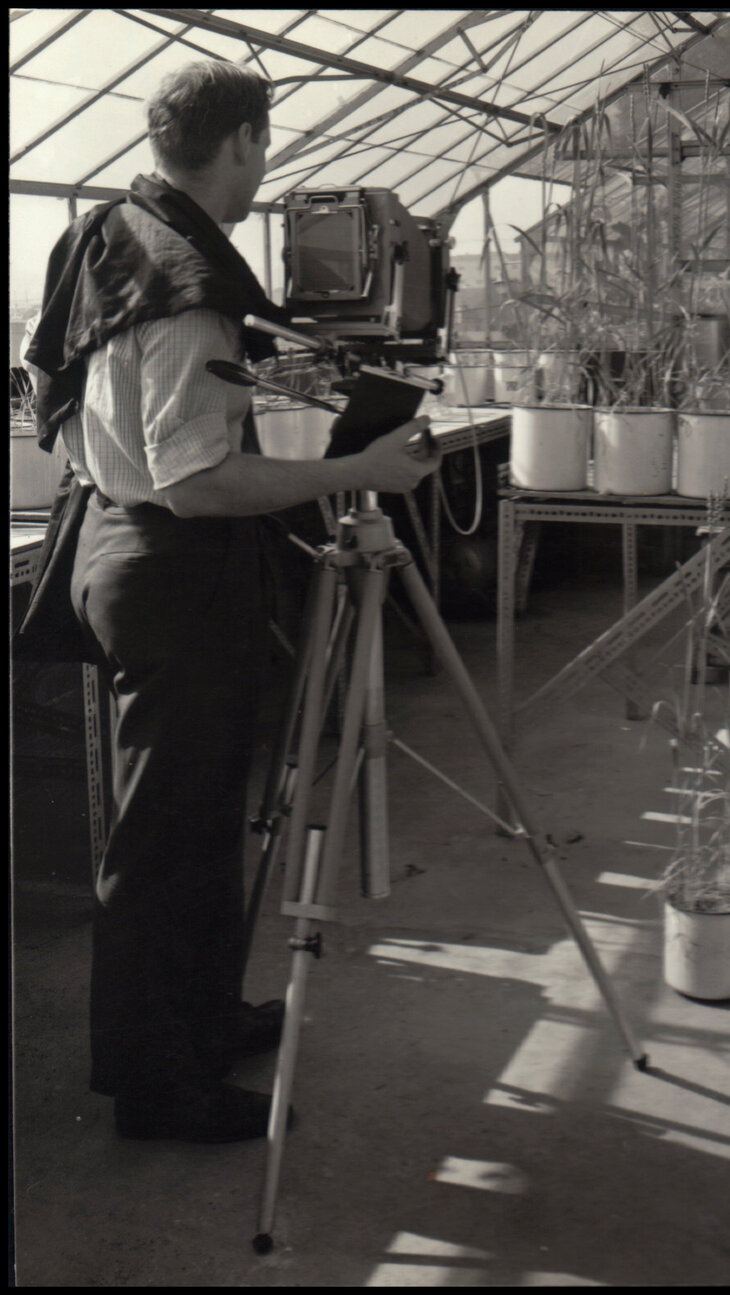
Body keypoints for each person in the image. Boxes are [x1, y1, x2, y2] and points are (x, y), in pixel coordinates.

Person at [23, 61, 439, 1143]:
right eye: (265, 146)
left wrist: (118, 459)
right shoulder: (187, 284)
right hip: (172, 564)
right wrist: (361, 472)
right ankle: (159, 1088)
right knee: (167, 835)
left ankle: (200, 1018)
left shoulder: (103, 235)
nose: (267, 169)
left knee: (199, 817)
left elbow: (47, 390)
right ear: (244, 141)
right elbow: (198, 478)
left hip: (116, 542)